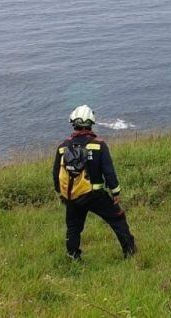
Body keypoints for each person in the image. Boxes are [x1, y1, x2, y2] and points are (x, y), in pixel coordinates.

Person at [52, 105, 137, 260]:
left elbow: (56, 173)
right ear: (91, 123)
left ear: (73, 123)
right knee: (117, 218)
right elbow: (109, 172)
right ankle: (130, 252)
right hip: (95, 195)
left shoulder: (62, 147)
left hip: (73, 196)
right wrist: (115, 192)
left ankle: (73, 257)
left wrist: (62, 193)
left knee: (73, 227)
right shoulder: (99, 145)